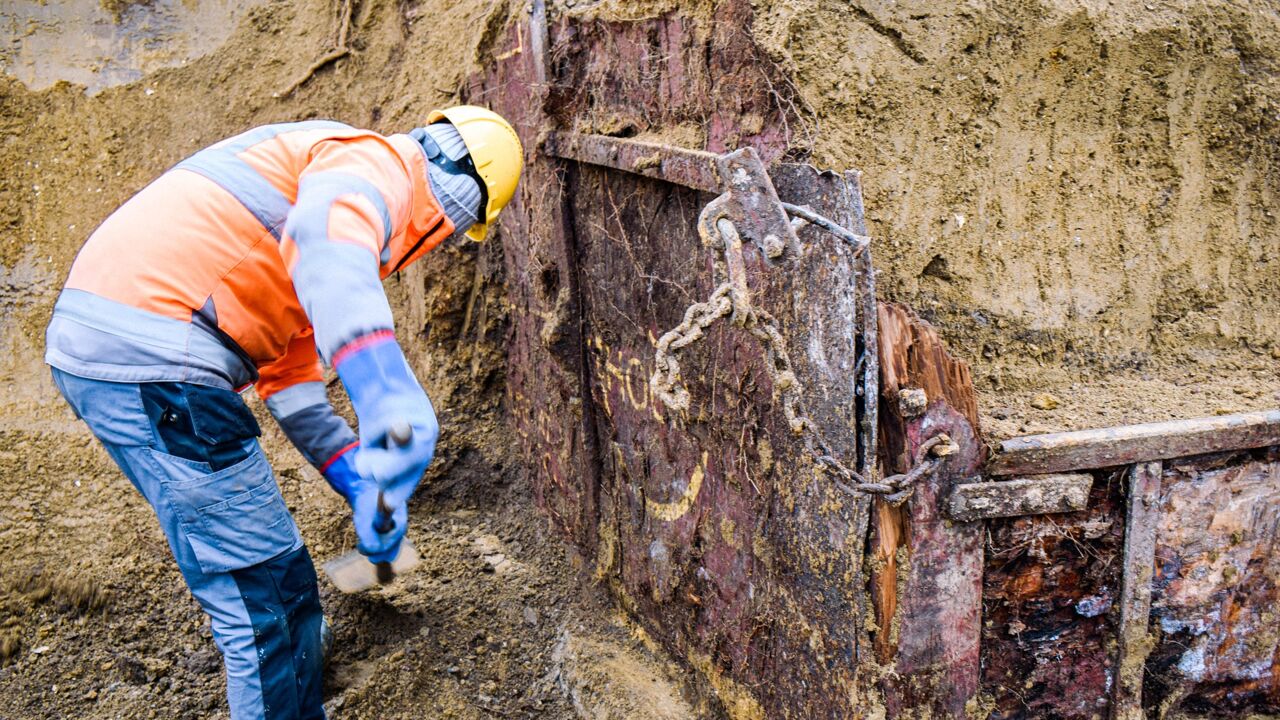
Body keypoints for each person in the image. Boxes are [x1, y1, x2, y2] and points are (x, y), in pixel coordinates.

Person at [43, 106, 523, 719]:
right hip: (157, 357)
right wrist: (383, 387)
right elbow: (325, 233)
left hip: (113, 349)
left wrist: (359, 483)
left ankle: (292, 656)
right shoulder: (378, 165)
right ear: (459, 203)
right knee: (265, 592)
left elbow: (291, 385)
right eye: (457, 229)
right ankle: (281, 662)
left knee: (265, 577)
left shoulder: (312, 208)